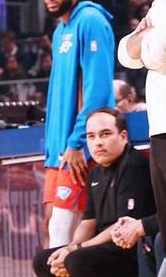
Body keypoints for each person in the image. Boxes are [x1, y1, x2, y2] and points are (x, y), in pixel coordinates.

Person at [33, 108, 158, 277]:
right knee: (43, 261)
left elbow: (124, 227)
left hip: (129, 247)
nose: (97, 142)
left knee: (77, 260)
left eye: (105, 134)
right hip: (101, 246)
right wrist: (70, 248)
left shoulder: (134, 164)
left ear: (123, 137)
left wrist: (76, 250)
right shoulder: (95, 172)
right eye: (91, 136)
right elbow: (88, 223)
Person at [41, 0, 115, 248]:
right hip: (60, 149)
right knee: (51, 225)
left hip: (78, 147)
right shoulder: (61, 30)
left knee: (63, 231)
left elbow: (98, 89)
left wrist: (77, 141)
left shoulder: (91, 20)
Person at [117, 0, 166, 275]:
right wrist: (143, 43)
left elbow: (156, 51)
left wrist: (143, 44)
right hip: (160, 127)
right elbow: (125, 51)